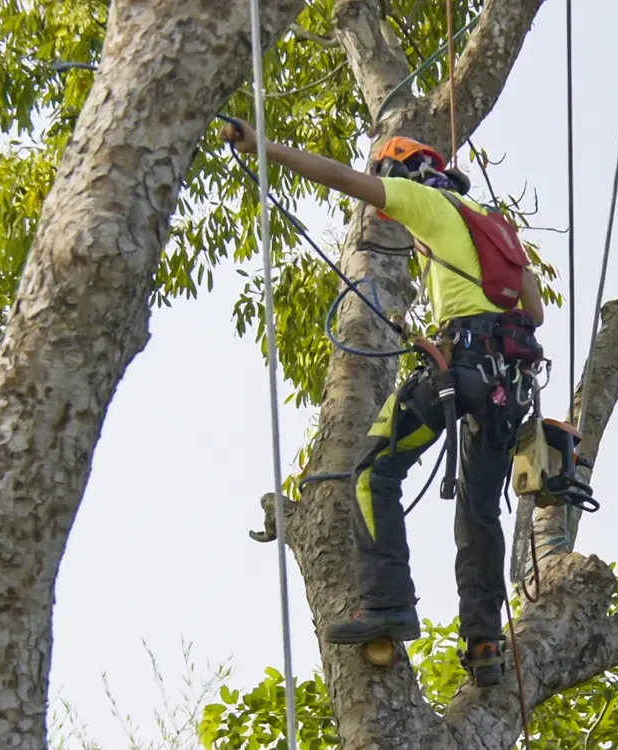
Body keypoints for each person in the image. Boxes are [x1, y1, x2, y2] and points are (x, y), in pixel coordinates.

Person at [219, 119, 546, 687]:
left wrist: (260, 146)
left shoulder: (426, 201)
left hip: (464, 374)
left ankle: (388, 603)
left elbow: (342, 179)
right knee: (479, 511)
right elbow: (534, 313)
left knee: (373, 471)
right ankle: (485, 641)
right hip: (506, 391)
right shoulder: (497, 230)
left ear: (403, 174)